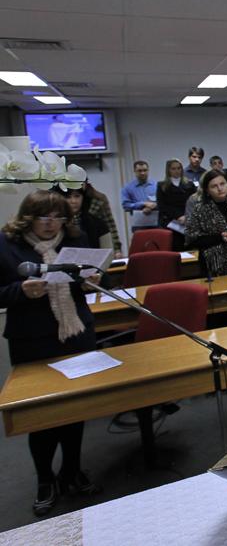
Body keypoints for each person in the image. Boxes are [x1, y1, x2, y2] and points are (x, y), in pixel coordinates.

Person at [0, 191, 102, 516]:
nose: (51, 223)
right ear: (28, 217)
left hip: (77, 334)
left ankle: (72, 469)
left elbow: (89, 277)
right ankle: (45, 479)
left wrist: (91, 281)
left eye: (58, 217)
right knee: (41, 415)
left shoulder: (75, 239)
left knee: (75, 408)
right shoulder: (7, 244)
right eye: (44, 217)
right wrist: (20, 291)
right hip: (34, 339)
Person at [54, 183, 111, 250]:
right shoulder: (53, 222)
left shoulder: (97, 223)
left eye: (77, 196)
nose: (73, 201)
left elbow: (108, 251)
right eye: (68, 197)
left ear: (83, 197)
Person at [156, 158, 197, 251]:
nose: (177, 171)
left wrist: (187, 217)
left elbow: (194, 202)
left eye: (179, 168)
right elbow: (162, 206)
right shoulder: (162, 186)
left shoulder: (189, 184)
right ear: (168, 170)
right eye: (173, 169)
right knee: (174, 247)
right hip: (170, 222)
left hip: (188, 221)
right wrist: (178, 216)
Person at [83, 184, 122, 258]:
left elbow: (110, 225)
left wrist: (117, 249)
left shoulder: (99, 199)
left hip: (97, 245)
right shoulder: (66, 200)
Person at [121, 160, 158, 233]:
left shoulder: (156, 185)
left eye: (145, 170)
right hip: (139, 225)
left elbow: (163, 202)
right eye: (139, 171)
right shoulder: (128, 188)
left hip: (156, 223)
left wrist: (152, 206)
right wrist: (143, 204)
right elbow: (126, 206)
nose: (142, 173)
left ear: (148, 170)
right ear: (135, 171)